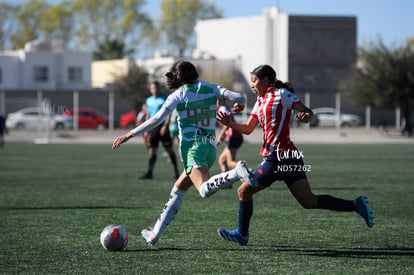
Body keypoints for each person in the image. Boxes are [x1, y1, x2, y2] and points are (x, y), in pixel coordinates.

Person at [216, 64, 375, 246]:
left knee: (244, 190)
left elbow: (307, 112)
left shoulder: (281, 94)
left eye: (254, 81)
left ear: (266, 80)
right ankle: (356, 205)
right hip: (289, 157)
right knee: (308, 201)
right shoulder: (260, 102)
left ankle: (242, 234)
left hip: (278, 156)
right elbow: (248, 129)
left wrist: (305, 116)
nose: (251, 85)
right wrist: (229, 124)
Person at [112, 60, 258, 246]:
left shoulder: (179, 95)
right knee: (178, 190)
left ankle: (236, 172)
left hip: (193, 149)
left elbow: (156, 119)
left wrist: (129, 134)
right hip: (209, 147)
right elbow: (238, 97)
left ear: (179, 75)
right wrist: (239, 104)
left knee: (204, 190)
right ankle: (154, 234)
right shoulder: (211, 88)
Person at [140, 81, 179, 180]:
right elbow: (148, 115)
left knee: (169, 149)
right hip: (153, 128)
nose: (155, 90)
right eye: (153, 88)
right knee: (152, 151)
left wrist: (165, 126)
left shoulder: (164, 99)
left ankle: (176, 172)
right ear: (150, 89)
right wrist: (146, 129)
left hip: (162, 127)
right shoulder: (149, 100)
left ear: (159, 88)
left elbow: (168, 114)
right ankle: (150, 173)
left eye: (156, 88)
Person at [216, 100, 244, 188]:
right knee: (222, 160)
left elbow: (227, 124)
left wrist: (220, 137)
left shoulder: (222, 108)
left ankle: (246, 170)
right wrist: (222, 137)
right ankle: (227, 184)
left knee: (230, 162)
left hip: (234, 137)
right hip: (235, 137)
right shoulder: (225, 108)